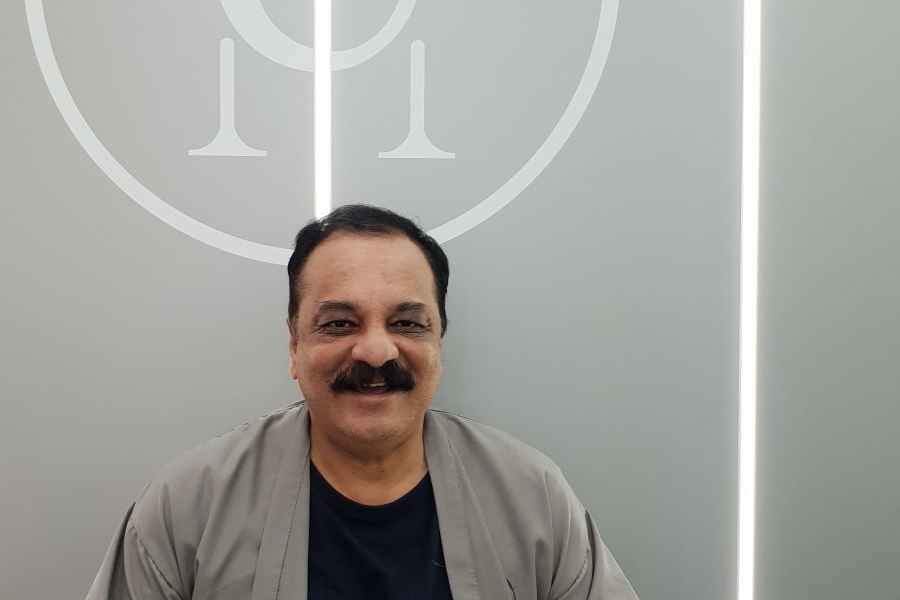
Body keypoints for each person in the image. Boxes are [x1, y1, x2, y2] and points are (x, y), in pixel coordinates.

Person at [86, 204, 639, 599]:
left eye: (407, 323)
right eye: (339, 323)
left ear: (439, 343)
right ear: (294, 345)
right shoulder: (187, 508)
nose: (376, 351)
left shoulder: (533, 500)